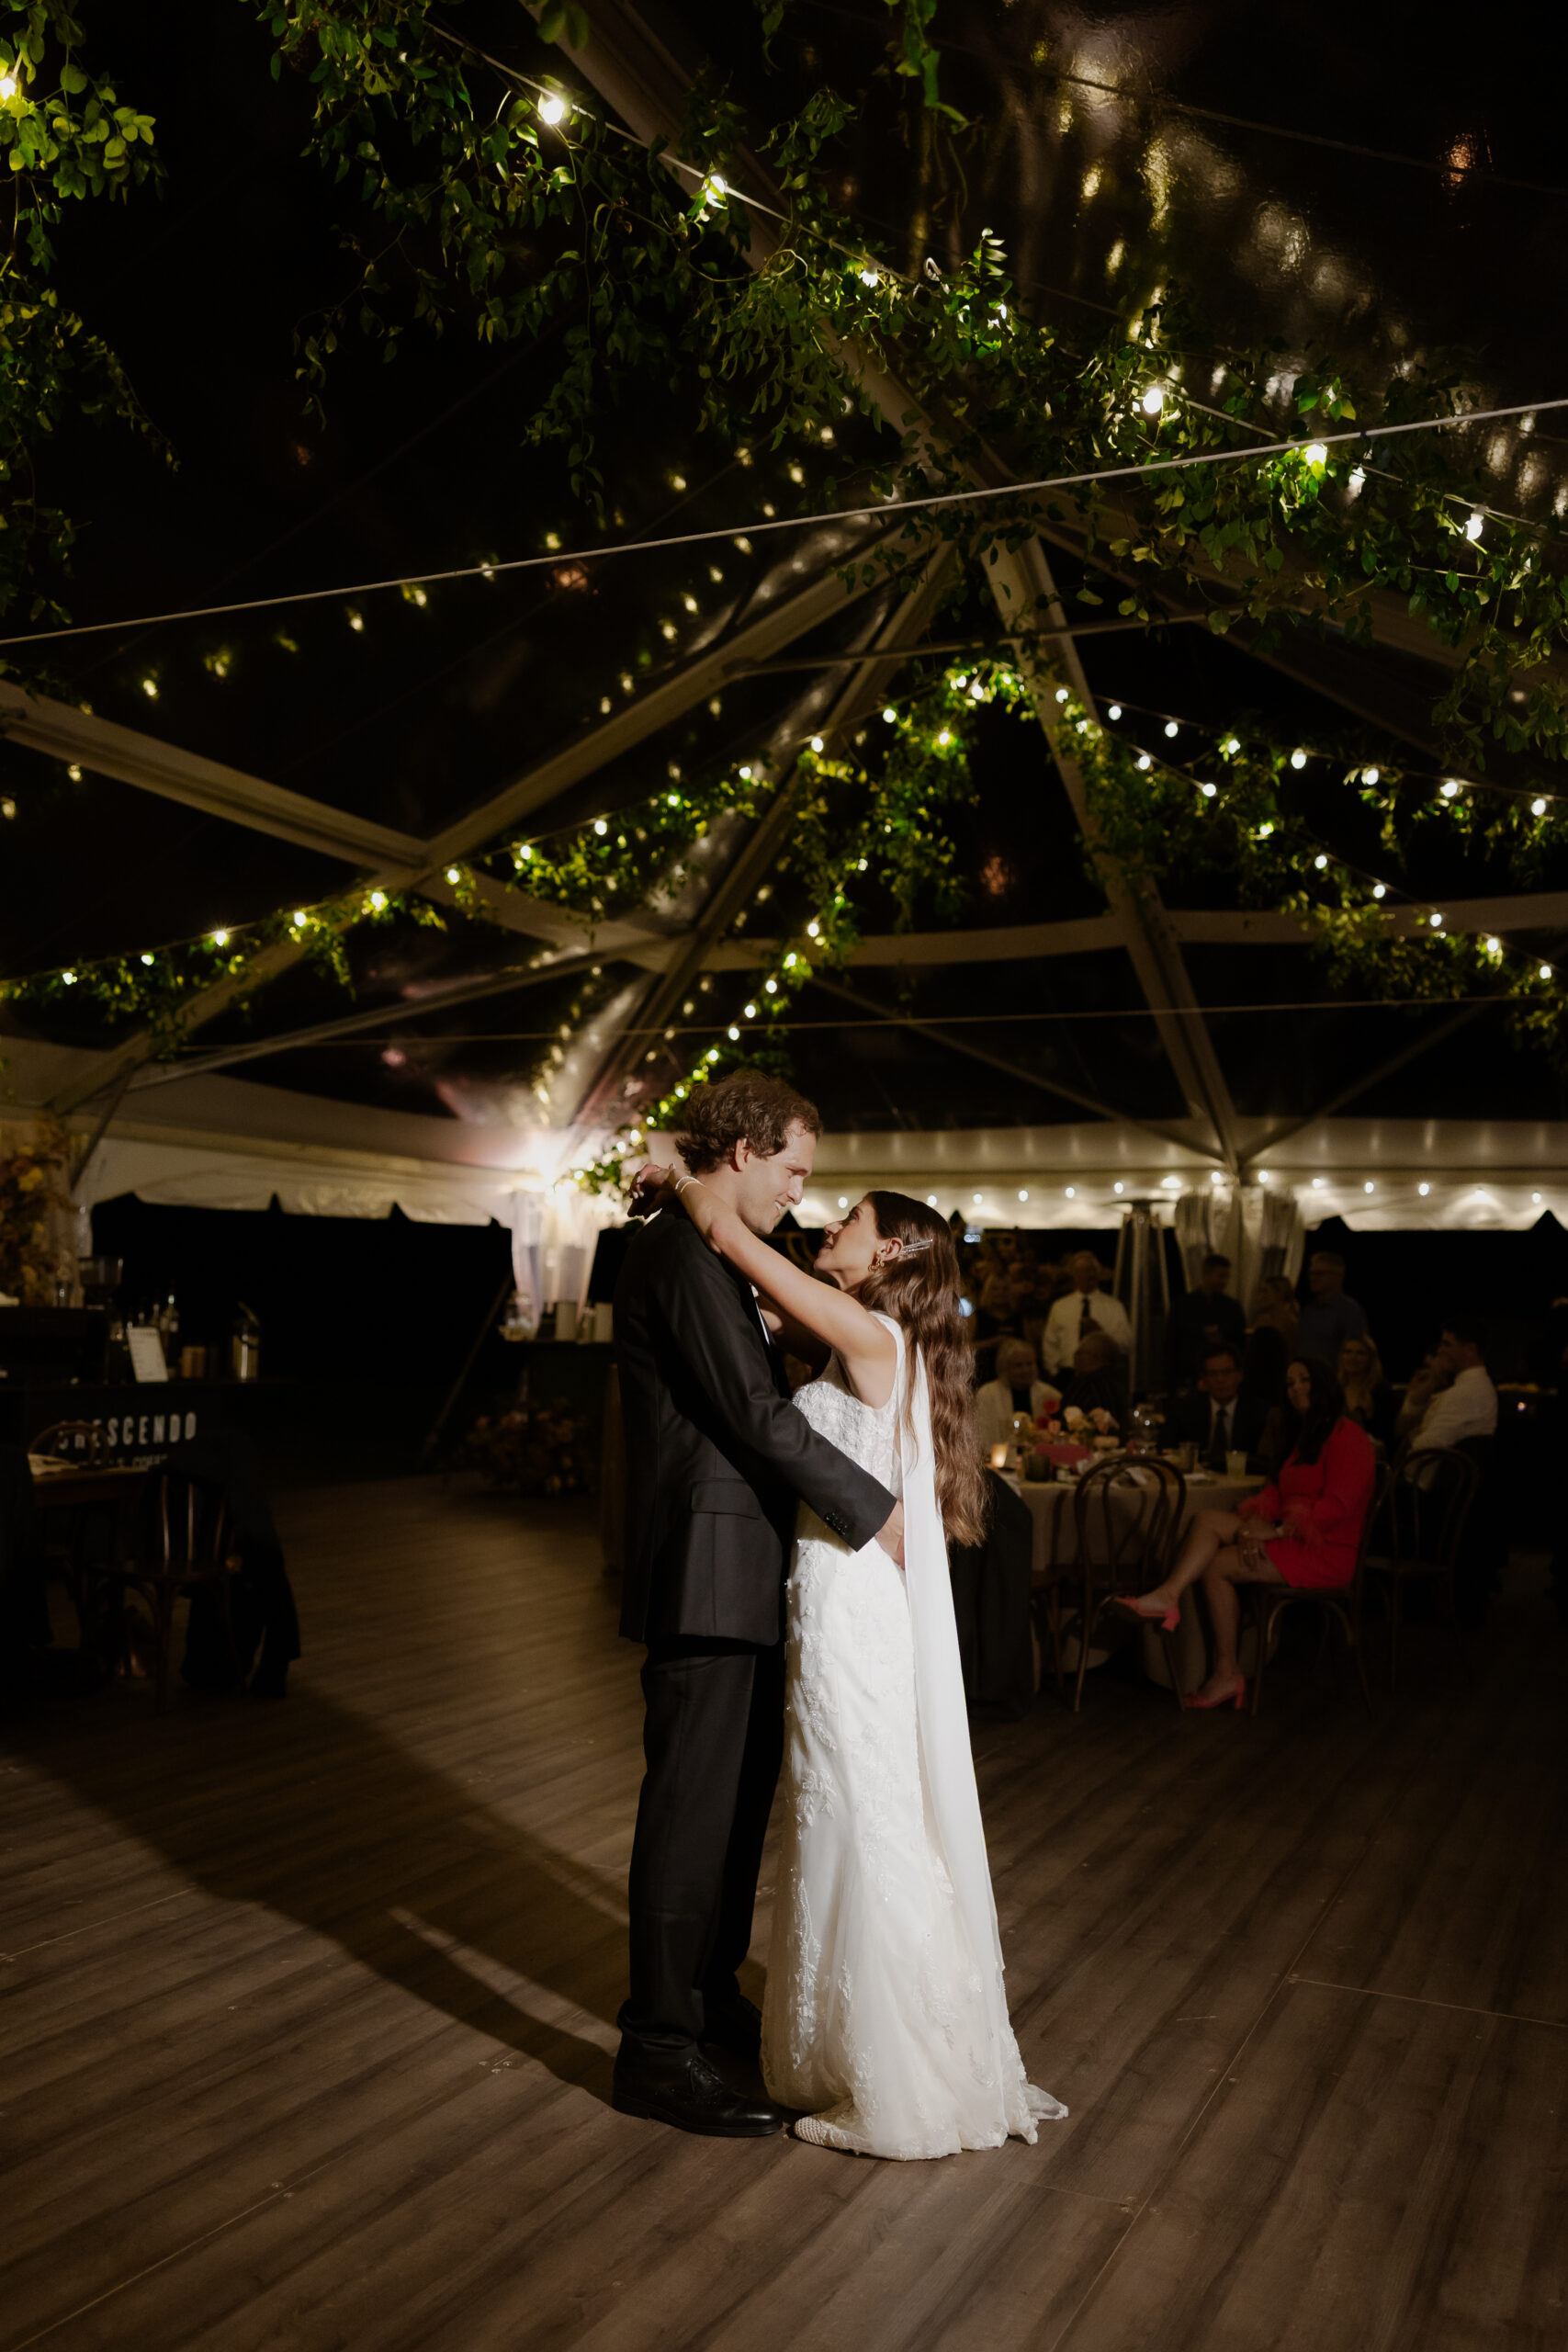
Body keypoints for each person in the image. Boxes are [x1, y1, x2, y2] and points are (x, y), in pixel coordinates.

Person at [638, 1163, 1067, 2158]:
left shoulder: (871, 1335)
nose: (828, 1217)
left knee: (861, 1810)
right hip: (834, 1592)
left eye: (852, 1217)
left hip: (851, 1598)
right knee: (842, 1804)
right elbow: (752, 1305)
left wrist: (694, 1185)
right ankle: (851, 2042)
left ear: (889, 1252)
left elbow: (739, 1251)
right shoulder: (862, 1335)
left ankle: (897, 2077)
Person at [612, 1074, 906, 2140]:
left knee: (735, 1815)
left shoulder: (717, 1247)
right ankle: (655, 2044)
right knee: (691, 1819)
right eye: (794, 1169)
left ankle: (707, 1996)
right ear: (741, 1152)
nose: (800, 1192)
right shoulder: (685, 1254)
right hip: (703, 1566)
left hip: (740, 1571)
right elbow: (747, 1412)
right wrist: (877, 1514)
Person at [1116, 1355, 1376, 1711]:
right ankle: (1169, 1596)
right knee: (1206, 1519)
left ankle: (1226, 1672)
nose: (1297, 1387)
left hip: (1326, 1549)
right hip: (1288, 1534)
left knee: (1216, 1565)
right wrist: (1258, 1520)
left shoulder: (1349, 1435)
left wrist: (1276, 1530)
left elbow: (1338, 1507)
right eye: (1290, 1382)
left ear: (1324, 1383)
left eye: (1304, 1379)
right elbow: (1277, 1489)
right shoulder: (1304, 1434)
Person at [1162, 1340, 1272, 1470]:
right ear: (1204, 1378)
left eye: (1226, 1372)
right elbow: (1165, 1449)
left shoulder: (1258, 1412)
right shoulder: (1185, 1409)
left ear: (1240, 1374)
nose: (1220, 1380)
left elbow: (1264, 1459)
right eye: (1213, 1373)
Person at [1404, 1318, 1498, 1453]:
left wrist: (1414, 1436)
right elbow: (1409, 1412)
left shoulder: (1466, 1392)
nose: (1440, 1350)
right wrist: (1433, 1380)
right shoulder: (1474, 1385)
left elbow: (1428, 1445)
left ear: (1470, 1350)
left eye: (1446, 1344)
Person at [1041, 1250, 1131, 1376]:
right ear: (1074, 1274)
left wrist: (1101, 1333)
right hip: (1068, 1373)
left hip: (1102, 1373)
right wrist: (1055, 1372)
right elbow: (1050, 1343)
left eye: (1094, 1270)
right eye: (1086, 1270)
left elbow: (1125, 1344)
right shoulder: (1060, 1307)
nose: (1091, 1274)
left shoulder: (1114, 1307)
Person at [1167, 1253, 1246, 1386]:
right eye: (1220, 1276)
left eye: (1227, 1277)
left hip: (1222, 1377)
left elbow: (1240, 1343)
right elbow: (1171, 1344)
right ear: (1206, 1274)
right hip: (1189, 1375)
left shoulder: (1232, 1307)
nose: (1224, 1282)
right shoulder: (1183, 1306)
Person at [975, 1336, 1060, 1452]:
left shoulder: (1049, 1394)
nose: (1025, 1370)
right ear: (1004, 1368)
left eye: (1029, 1364)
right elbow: (982, 1436)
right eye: (1018, 1365)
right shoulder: (987, 1395)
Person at [1294, 1251, 1369, 1363]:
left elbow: (1357, 1353)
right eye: (1311, 1274)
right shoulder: (1308, 1310)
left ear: (1338, 1276)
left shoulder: (1350, 1311)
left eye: (1319, 1274)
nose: (1312, 1278)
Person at [1337, 1333, 1397, 1451]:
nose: (1353, 1357)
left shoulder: (1380, 1389)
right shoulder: (1335, 1388)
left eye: (1360, 1353)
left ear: (1371, 1358)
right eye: (1348, 1352)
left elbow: (1385, 1433)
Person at [1057, 1329, 1129, 1426]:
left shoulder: (1088, 1383)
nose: (1074, 1357)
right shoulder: (1119, 1382)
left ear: (1096, 1356)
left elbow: (1063, 1421)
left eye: (1079, 1352)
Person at [1250, 1274, 1301, 1341]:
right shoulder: (1263, 1321)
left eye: (1265, 1291)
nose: (1260, 1296)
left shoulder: (1290, 1324)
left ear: (1279, 1294)